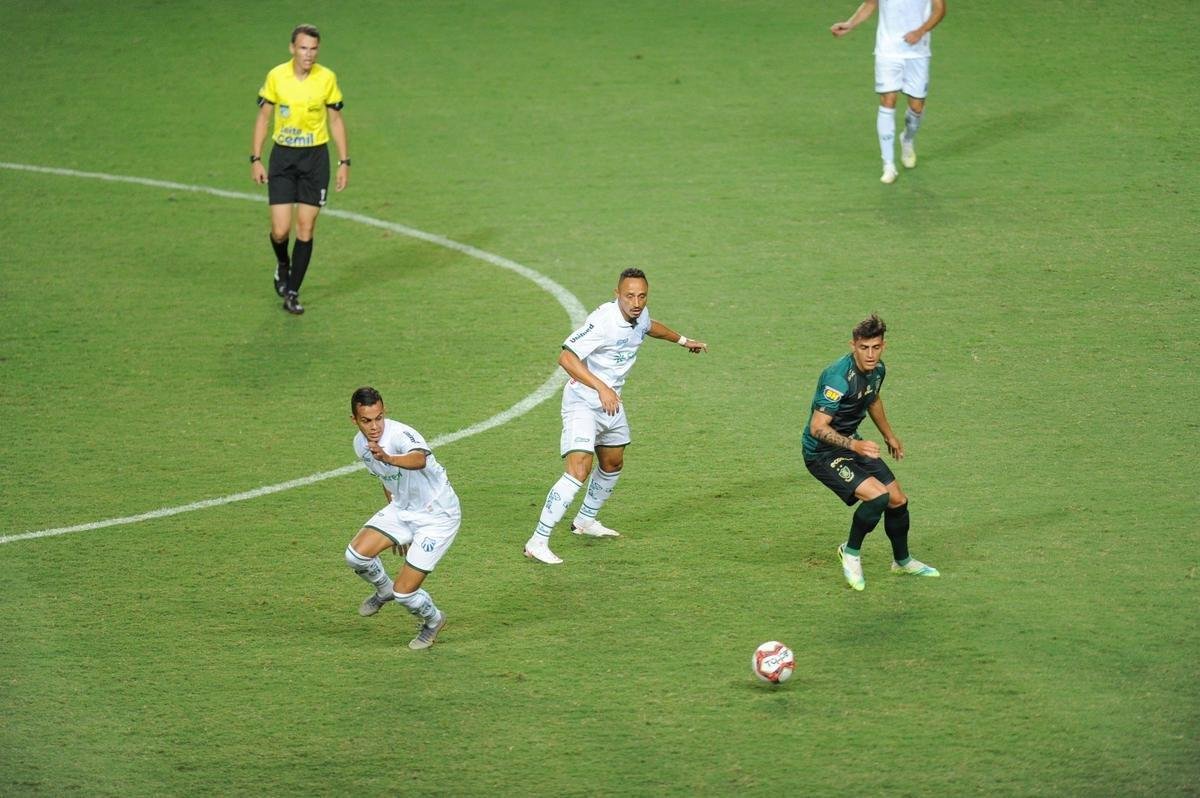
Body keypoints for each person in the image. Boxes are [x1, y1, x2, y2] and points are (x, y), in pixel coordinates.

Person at [524, 268, 708, 565]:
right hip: (584, 402)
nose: (636, 302)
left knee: (612, 462)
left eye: (642, 296)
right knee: (579, 470)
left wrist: (685, 341)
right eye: (629, 296)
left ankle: (585, 521)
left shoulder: (640, 316)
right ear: (617, 295)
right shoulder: (602, 321)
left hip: (610, 403)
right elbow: (566, 357)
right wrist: (601, 387)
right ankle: (537, 540)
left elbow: (651, 327)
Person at [801, 314, 938, 591]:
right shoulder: (838, 378)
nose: (870, 354)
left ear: (883, 346)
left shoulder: (878, 370)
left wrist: (889, 435)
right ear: (853, 345)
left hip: (852, 442)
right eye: (864, 348)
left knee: (898, 500)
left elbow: (872, 397)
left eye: (876, 347)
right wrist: (854, 445)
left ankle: (902, 561)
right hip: (822, 454)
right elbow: (817, 427)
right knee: (877, 497)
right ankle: (849, 552)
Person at [343, 387, 459, 650]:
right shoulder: (360, 445)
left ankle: (433, 620)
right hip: (403, 509)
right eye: (366, 421)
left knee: (404, 593)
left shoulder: (401, 435)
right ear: (354, 420)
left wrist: (389, 457)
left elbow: (418, 459)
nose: (375, 427)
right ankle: (382, 589)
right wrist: (397, 526)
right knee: (355, 556)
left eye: (379, 418)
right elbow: (387, 480)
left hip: (438, 516)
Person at [250, 23, 350, 315]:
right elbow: (263, 119)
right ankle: (283, 264)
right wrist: (255, 158)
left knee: (305, 228)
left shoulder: (327, 78)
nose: (309, 54)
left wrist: (344, 162)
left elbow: (335, 121)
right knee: (280, 231)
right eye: (303, 48)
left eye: (314, 49)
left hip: (315, 160)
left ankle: (293, 291)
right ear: (292, 48)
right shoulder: (276, 77)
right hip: (283, 159)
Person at [831, 0, 947, 184]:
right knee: (888, 100)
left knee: (917, 107)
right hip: (888, 51)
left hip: (918, 52)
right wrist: (850, 24)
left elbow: (940, 9)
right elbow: (870, 4)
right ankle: (888, 165)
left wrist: (921, 31)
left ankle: (907, 139)